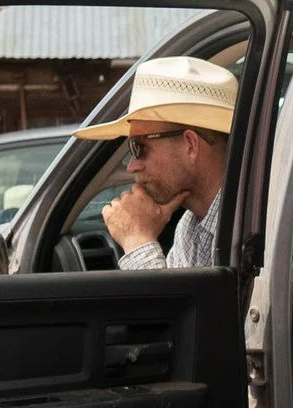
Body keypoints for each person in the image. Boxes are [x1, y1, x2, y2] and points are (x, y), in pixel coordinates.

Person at [72, 54, 240, 268]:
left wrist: (136, 241)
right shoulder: (189, 226)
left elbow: (169, 303)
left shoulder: (253, 223)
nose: (132, 166)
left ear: (190, 145)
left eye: (139, 147)